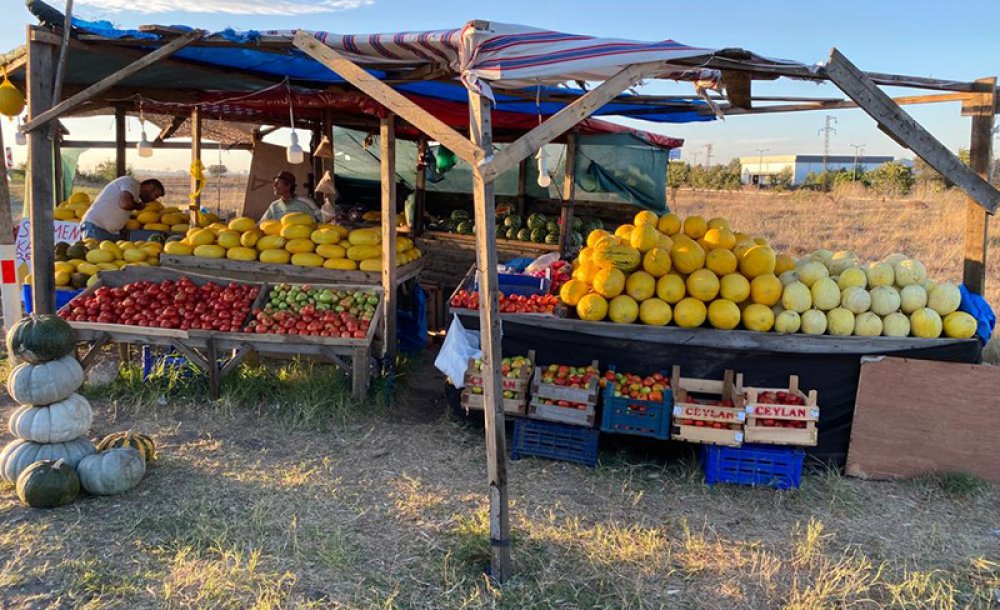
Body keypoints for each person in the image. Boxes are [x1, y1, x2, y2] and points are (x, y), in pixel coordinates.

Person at [80, 176, 165, 240]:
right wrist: (139, 206)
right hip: (96, 228)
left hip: (109, 232)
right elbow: (125, 204)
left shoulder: (134, 194)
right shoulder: (130, 182)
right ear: (149, 187)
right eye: (155, 195)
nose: (153, 199)